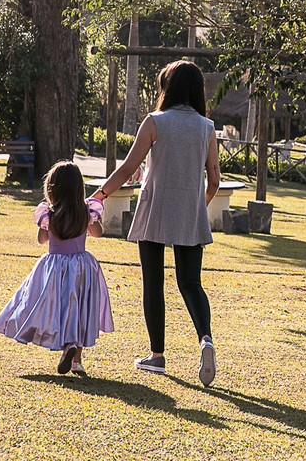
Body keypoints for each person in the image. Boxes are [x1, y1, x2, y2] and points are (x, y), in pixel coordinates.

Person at [94, 60, 221, 387]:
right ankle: (205, 339)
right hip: (189, 212)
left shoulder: (154, 122)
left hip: (154, 209)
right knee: (191, 282)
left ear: (168, 87)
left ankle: (157, 356)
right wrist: (196, 207)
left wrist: (99, 195)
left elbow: (126, 170)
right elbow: (215, 181)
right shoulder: (207, 128)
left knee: (154, 282)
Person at [0, 161, 114, 374]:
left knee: (57, 307)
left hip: (55, 267)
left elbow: (42, 240)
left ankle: (65, 343)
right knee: (80, 309)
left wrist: (46, 224)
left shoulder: (49, 213)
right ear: (79, 187)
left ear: (52, 187)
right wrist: (88, 217)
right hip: (82, 267)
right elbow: (98, 234)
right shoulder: (86, 211)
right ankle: (76, 358)